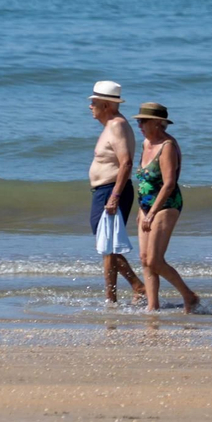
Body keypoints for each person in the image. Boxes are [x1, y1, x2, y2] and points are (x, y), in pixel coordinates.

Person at [133, 102, 200, 313]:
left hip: (166, 205)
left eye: (143, 121)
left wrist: (152, 213)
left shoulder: (167, 146)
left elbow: (169, 183)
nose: (139, 125)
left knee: (154, 260)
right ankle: (153, 307)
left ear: (157, 123)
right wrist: (142, 211)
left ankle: (189, 296)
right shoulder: (145, 143)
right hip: (145, 206)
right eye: (138, 121)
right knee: (144, 259)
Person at [87, 81, 146, 303]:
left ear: (107, 105)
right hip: (104, 190)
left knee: (108, 246)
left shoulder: (117, 126)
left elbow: (126, 163)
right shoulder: (110, 126)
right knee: (107, 246)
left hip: (111, 190)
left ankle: (131, 289)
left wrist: (114, 196)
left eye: (94, 102)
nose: (90, 106)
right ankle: (119, 293)